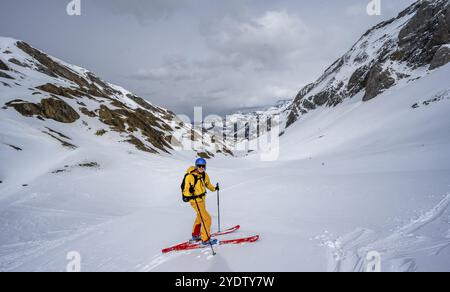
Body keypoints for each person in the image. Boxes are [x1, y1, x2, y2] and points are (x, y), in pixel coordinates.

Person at [183, 158, 219, 245]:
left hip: (202, 201)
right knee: (207, 219)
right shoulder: (189, 176)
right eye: (199, 166)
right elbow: (185, 192)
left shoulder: (204, 175)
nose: (201, 168)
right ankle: (205, 239)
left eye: (203, 166)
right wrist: (190, 191)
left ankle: (195, 235)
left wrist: (214, 189)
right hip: (195, 201)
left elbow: (208, 185)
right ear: (196, 166)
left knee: (200, 217)